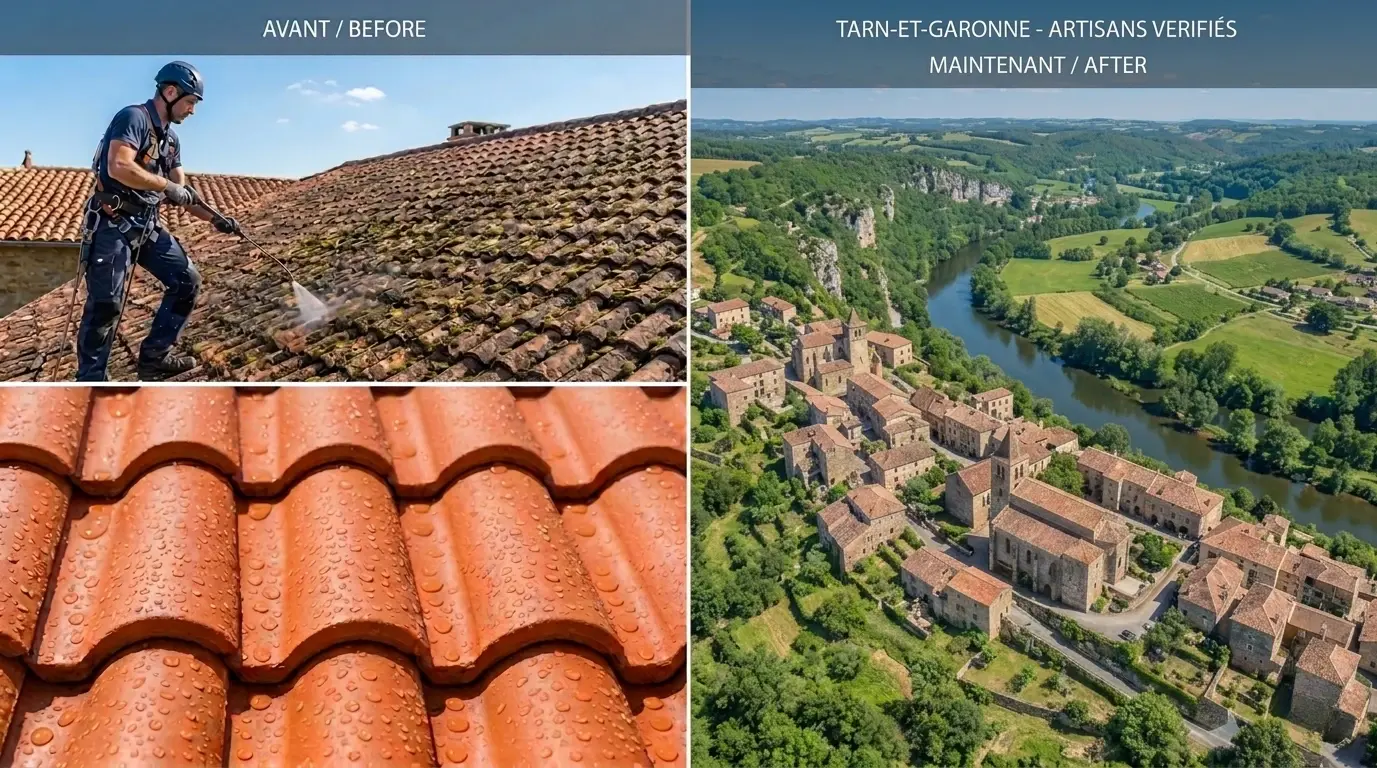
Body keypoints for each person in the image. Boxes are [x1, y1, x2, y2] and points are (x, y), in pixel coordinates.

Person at [75, 61, 242, 381]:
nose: (192, 110)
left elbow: (184, 192)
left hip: (146, 225)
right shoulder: (133, 118)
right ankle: (91, 379)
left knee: (186, 281)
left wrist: (217, 220)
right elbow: (119, 166)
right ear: (170, 92)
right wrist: (167, 187)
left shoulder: (171, 141)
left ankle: (155, 357)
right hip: (113, 223)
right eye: (190, 102)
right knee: (107, 302)